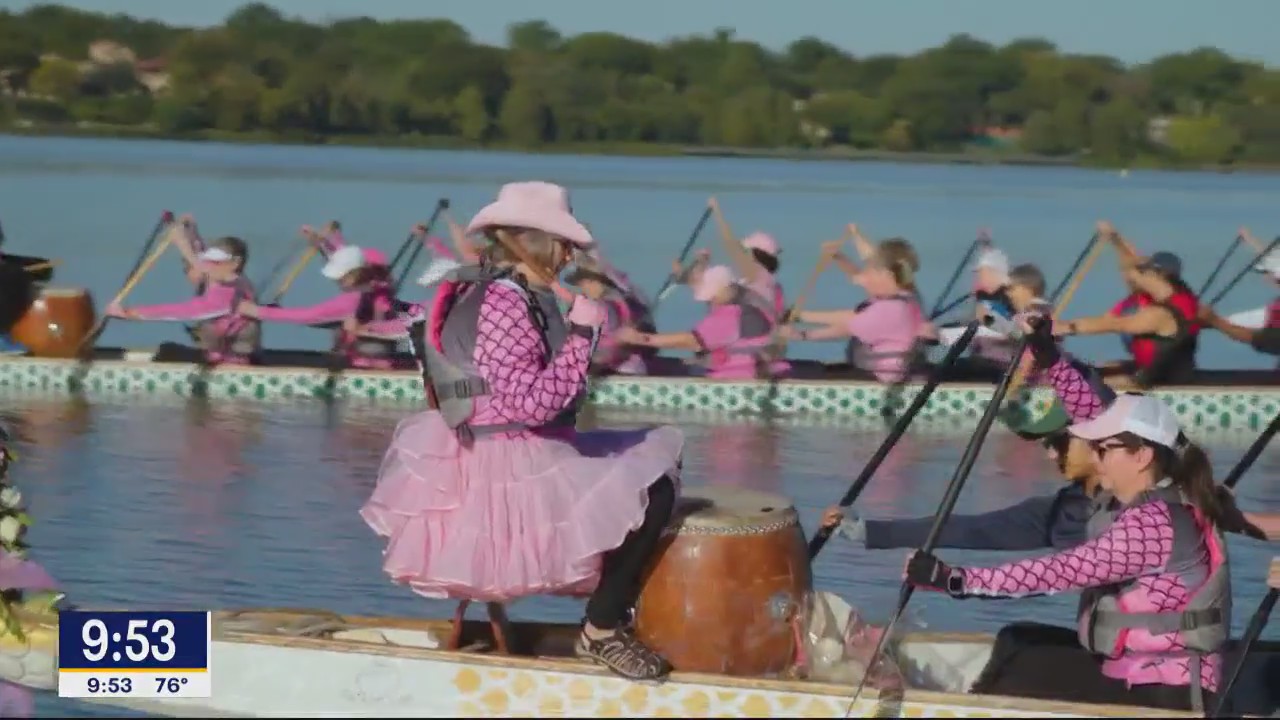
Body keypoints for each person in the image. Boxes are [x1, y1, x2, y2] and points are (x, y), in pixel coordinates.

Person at [359, 181, 684, 682]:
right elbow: (534, 404)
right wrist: (582, 335)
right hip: (509, 454)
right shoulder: (506, 302)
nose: (572, 252)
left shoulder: (487, 286)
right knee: (655, 485)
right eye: (564, 241)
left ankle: (529, 626)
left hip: (489, 443)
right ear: (535, 242)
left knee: (645, 467)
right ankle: (602, 628)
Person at [903, 392, 1233, 712]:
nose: (1093, 459)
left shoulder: (1154, 523)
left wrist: (954, 580)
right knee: (1018, 638)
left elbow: (1060, 572)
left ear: (1142, 456)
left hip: (1165, 694)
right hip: (1138, 673)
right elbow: (1083, 395)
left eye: (1103, 449)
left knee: (1023, 664)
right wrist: (1045, 351)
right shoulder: (1164, 503)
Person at [238, 244, 412, 369]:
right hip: (381, 359)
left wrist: (257, 311)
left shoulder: (350, 300)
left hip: (367, 366)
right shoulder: (380, 289)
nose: (335, 281)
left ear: (353, 275)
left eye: (339, 277)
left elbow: (307, 315)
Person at [782, 238, 926, 383]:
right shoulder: (904, 298)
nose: (864, 278)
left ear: (886, 275)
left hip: (881, 379)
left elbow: (848, 323)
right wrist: (801, 324)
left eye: (870, 271)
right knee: (816, 368)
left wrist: (800, 325)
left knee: (801, 371)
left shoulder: (892, 308)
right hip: (878, 372)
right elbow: (853, 318)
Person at [106, 231, 262, 365]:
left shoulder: (225, 293)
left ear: (234, 263)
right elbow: (199, 258)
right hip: (239, 356)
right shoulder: (240, 283)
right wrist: (187, 233)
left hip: (229, 363)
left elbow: (178, 311)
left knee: (166, 351)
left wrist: (128, 313)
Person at [616, 264, 790, 379]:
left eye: (712, 296)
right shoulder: (750, 300)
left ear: (726, 290)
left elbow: (690, 341)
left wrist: (642, 339)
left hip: (741, 376)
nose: (710, 301)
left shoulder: (730, 315)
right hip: (763, 368)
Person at [563, 265, 648, 375]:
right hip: (615, 364)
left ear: (598, 281)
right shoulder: (611, 302)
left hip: (618, 370)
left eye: (587, 282)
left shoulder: (609, 306)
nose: (584, 288)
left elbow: (608, 345)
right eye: (581, 284)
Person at [1197, 248, 1280, 359]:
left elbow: (1264, 340)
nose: (1267, 279)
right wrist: (1210, 321)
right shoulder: (1275, 310)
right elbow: (1246, 320)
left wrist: (1214, 321)